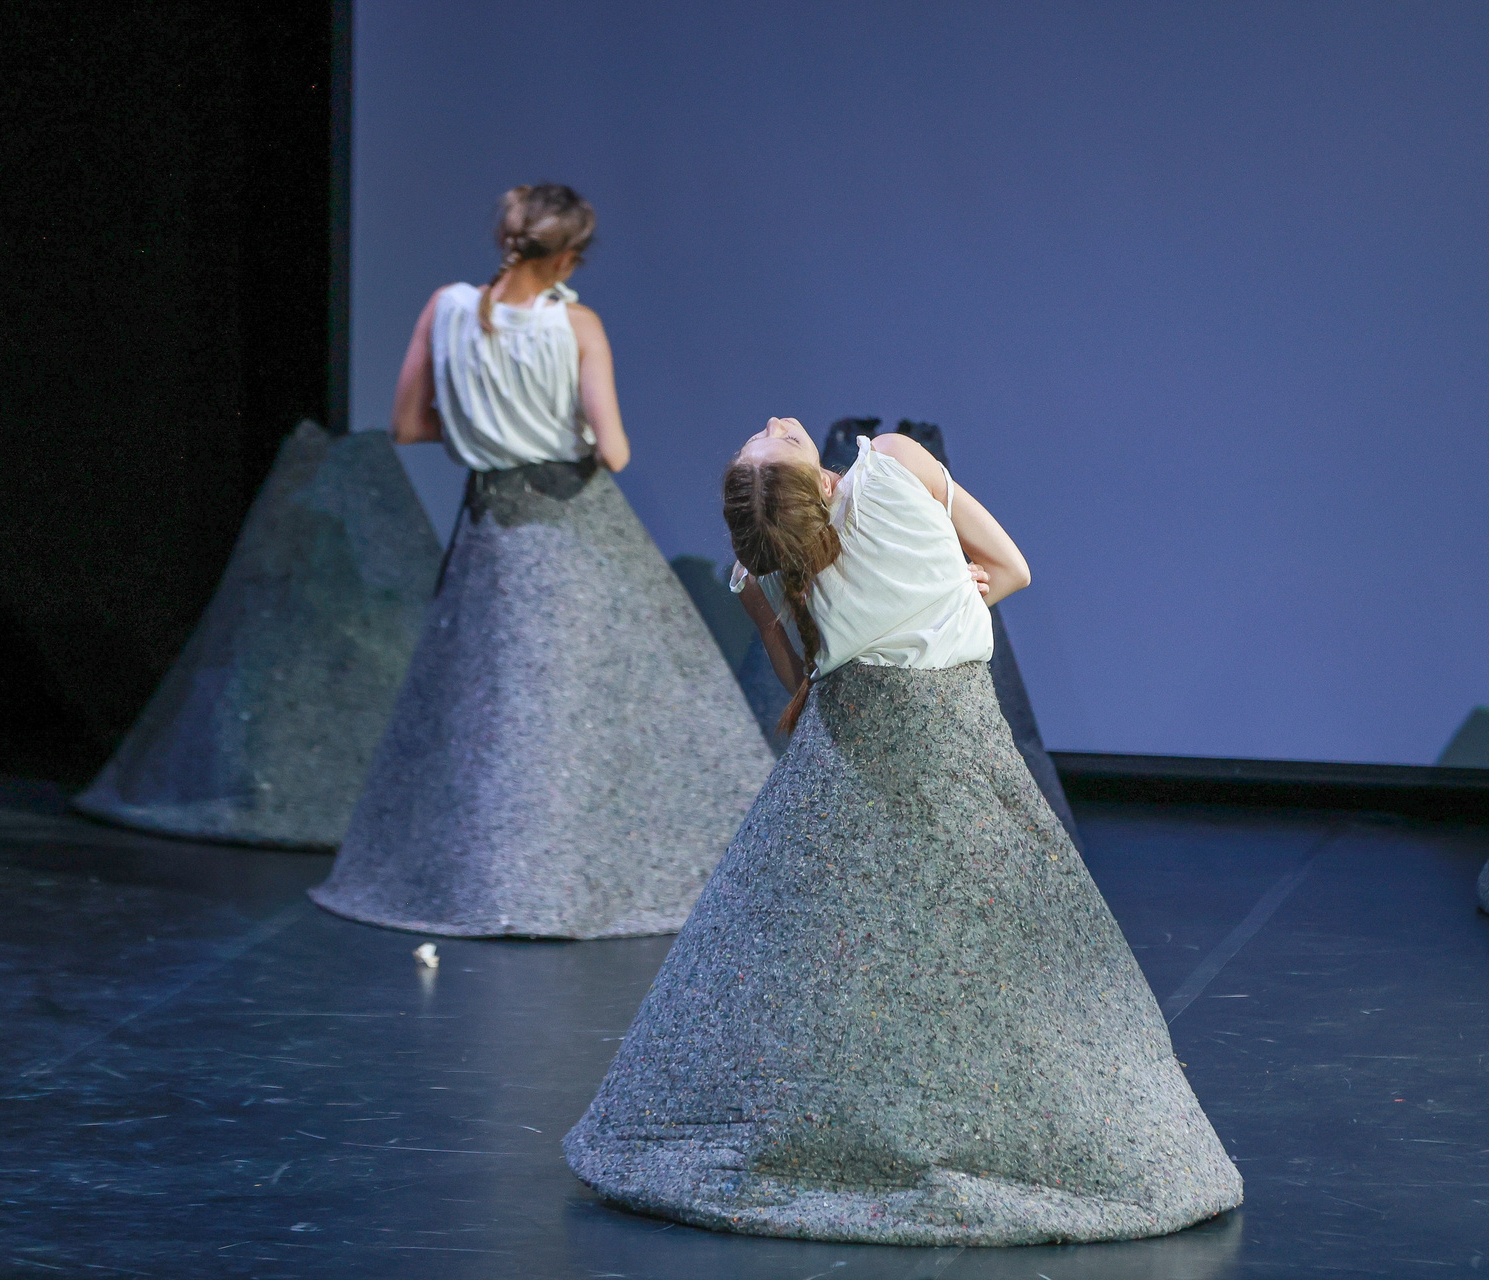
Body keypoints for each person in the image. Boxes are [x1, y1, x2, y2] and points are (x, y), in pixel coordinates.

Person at [564, 418, 1241, 1244]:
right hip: (954, 749)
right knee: (992, 960)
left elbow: (803, 677)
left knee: (825, 968)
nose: (772, 425)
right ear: (810, 484)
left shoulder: (792, 563)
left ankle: (832, 1137)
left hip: (848, 767)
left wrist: (772, 600)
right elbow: (1014, 570)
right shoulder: (889, 463)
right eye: (772, 444)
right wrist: (951, 595)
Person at [308, 185, 773, 939]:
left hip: (490, 525)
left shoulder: (446, 308)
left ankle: (495, 884)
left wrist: (484, 427)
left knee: (489, 704)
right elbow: (614, 450)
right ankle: (571, 885)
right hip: (569, 524)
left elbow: (407, 425)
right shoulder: (574, 323)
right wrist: (551, 427)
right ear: (568, 257)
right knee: (596, 704)